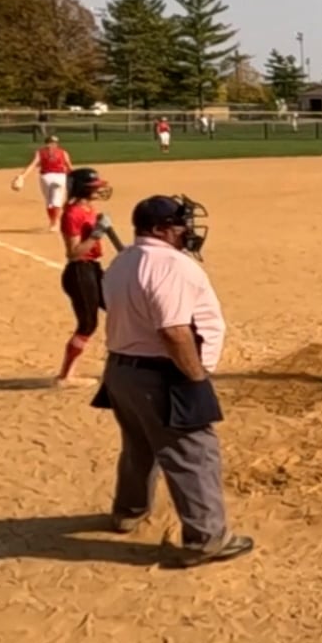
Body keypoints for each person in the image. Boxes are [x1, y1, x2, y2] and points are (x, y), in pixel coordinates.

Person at [92, 195, 253, 568]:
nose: (187, 231)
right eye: (180, 225)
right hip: (162, 374)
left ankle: (128, 511)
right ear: (160, 229)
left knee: (139, 446)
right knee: (194, 454)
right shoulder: (172, 266)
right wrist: (195, 379)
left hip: (121, 371)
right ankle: (206, 540)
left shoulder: (121, 262)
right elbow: (174, 331)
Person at [56, 167, 116, 383]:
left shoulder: (88, 208)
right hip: (80, 271)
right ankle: (66, 376)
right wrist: (97, 233)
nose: (98, 190)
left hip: (93, 268)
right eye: (94, 187)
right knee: (88, 324)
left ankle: (120, 360)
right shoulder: (72, 214)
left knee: (118, 307)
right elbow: (73, 253)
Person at [15, 135, 74, 231]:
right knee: (57, 199)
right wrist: (76, 177)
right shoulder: (63, 152)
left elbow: (32, 165)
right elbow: (69, 167)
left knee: (49, 201)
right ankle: (55, 222)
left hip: (46, 177)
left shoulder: (40, 152)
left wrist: (23, 176)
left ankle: (53, 222)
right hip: (60, 177)